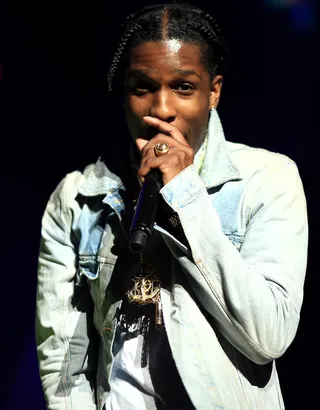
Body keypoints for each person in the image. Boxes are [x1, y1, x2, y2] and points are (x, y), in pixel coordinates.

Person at [35, 2, 308, 409]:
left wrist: (186, 195)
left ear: (213, 91)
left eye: (183, 87)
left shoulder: (267, 179)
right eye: (142, 87)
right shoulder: (77, 198)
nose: (161, 109)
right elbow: (63, 357)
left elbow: (268, 337)